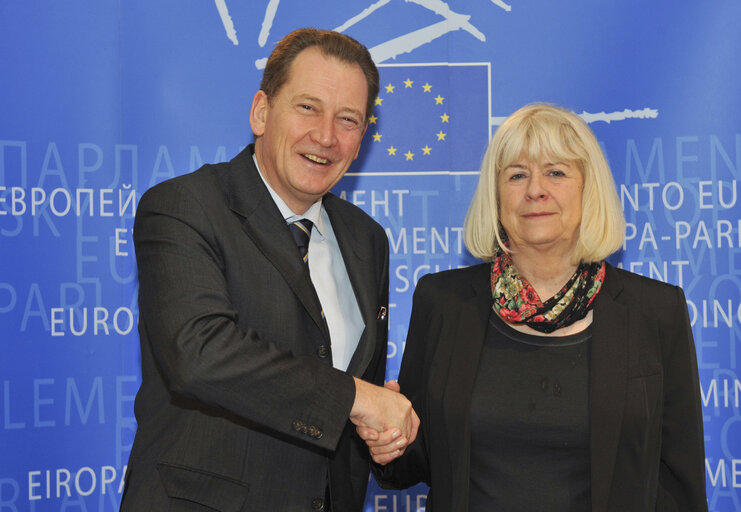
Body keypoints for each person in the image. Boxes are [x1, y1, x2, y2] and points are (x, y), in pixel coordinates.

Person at [121, 28, 418, 512]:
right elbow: (200, 355)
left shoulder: (368, 240)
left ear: (363, 136)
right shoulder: (184, 207)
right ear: (262, 111)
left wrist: (378, 434)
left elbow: (349, 401)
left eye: (348, 119)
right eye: (308, 107)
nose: (325, 136)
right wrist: (356, 400)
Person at [360, 103, 708, 511]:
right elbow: (412, 465)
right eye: (517, 175)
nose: (535, 190)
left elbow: (679, 485)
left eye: (556, 172)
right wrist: (388, 441)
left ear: (588, 188)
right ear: (495, 196)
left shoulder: (655, 310)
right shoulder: (444, 302)